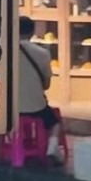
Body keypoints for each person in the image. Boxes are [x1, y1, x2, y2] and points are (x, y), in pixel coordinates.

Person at [16, 17, 61, 156]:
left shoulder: (4, 52)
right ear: (32, 32)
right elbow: (46, 85)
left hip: (10, 110)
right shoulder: (43, 53)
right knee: (54, 122)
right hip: (36, 107)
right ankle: (52, 146)